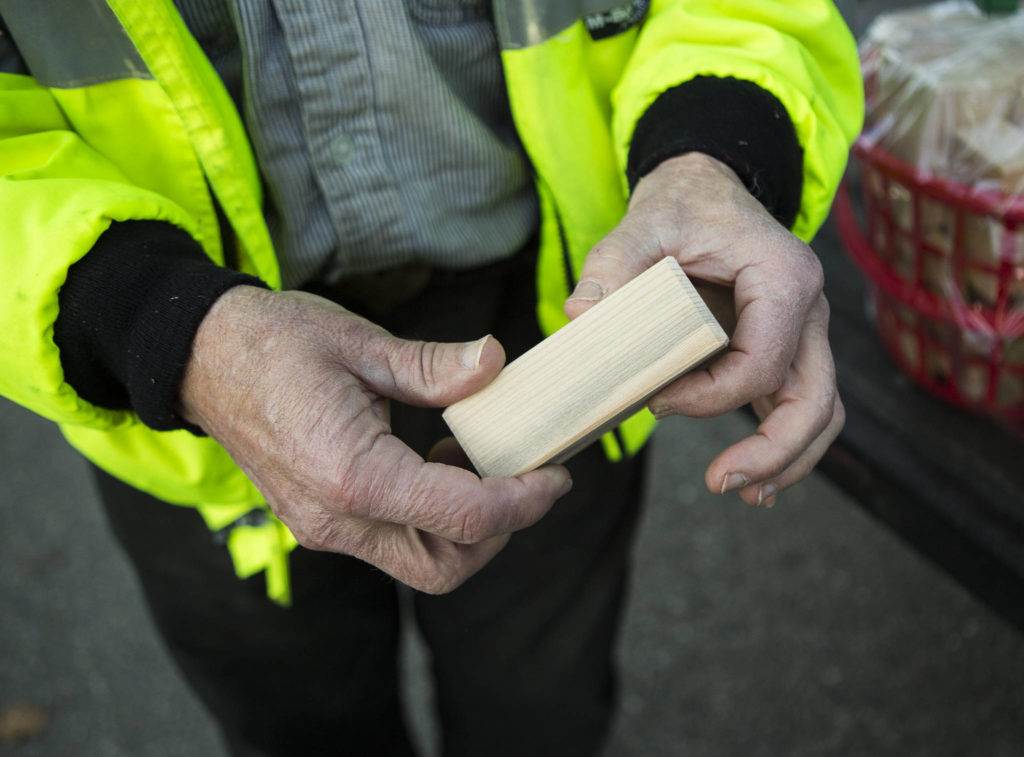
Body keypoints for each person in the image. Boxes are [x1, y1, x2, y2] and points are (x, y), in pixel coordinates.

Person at [0, 1, 863, 754]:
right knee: (297, 718)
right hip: (189, 376)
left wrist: (714, 156)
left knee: (541, 705)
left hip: (550, 319)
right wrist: (154, 323)